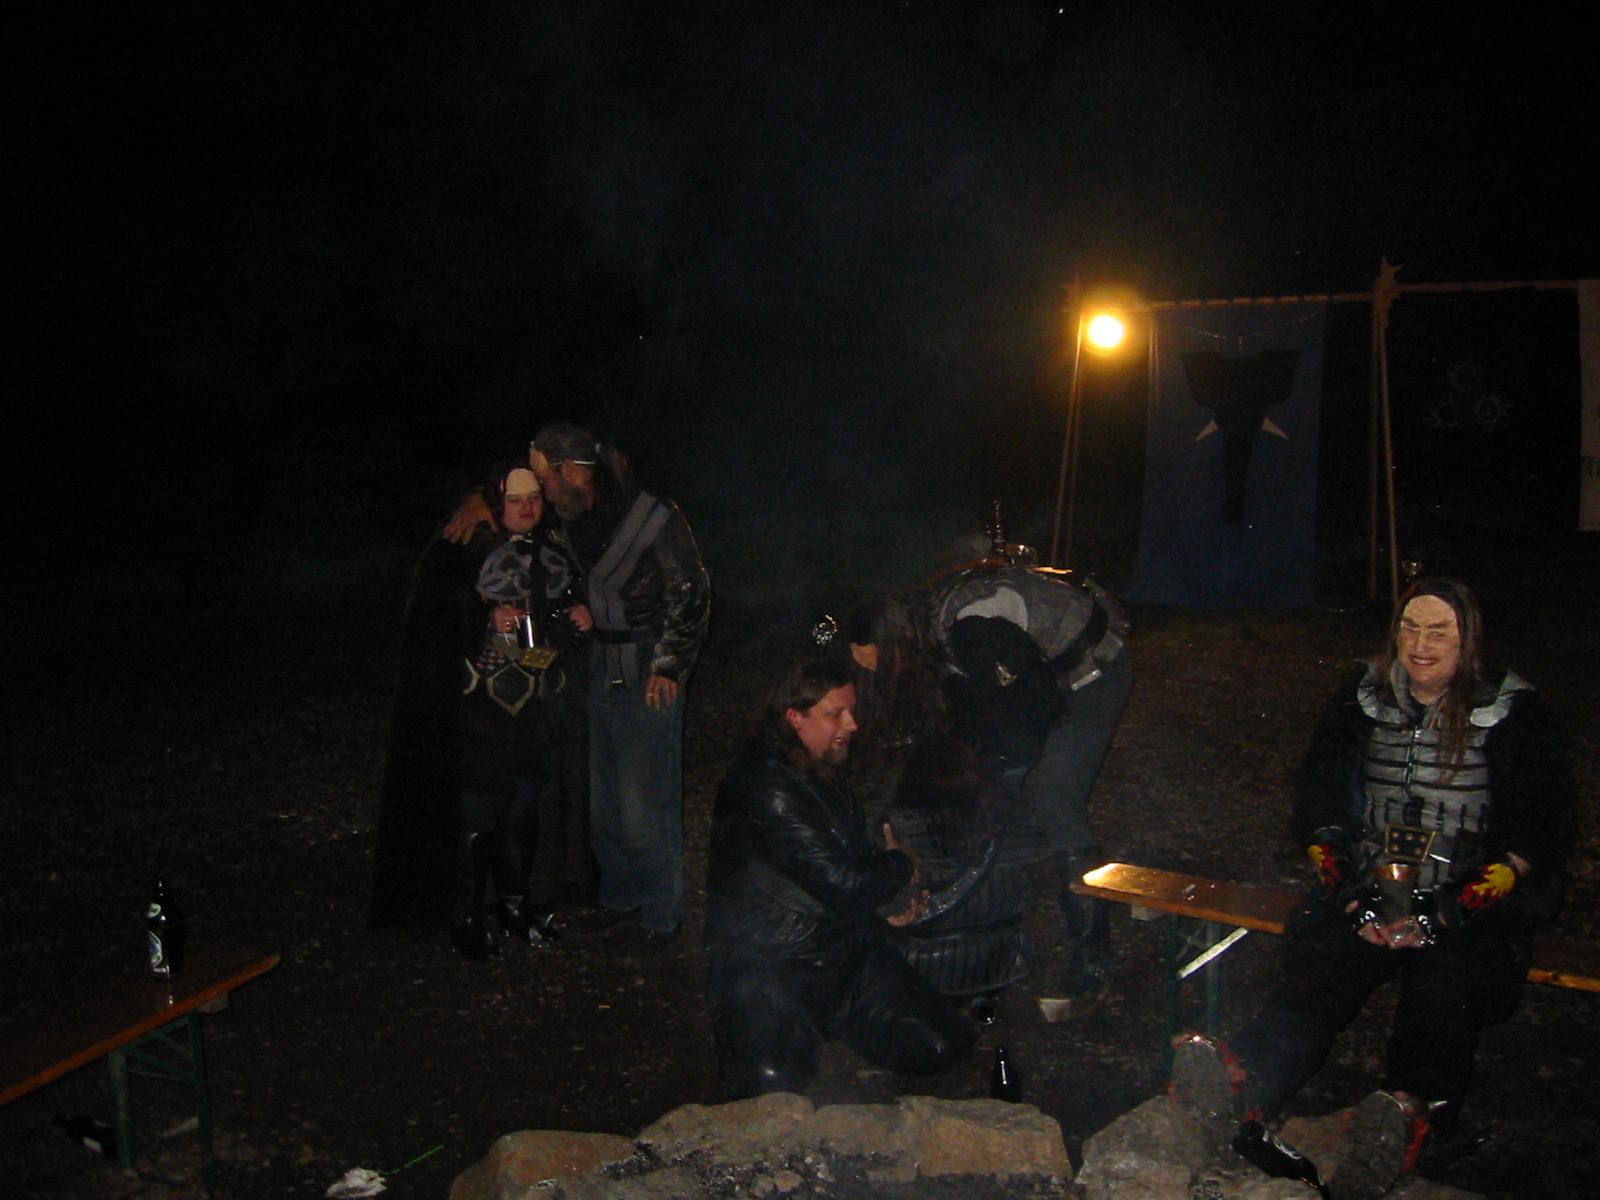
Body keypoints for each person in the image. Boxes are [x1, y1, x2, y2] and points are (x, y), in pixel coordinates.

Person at [1171, 578, 1574, 1197]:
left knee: (1445, 984)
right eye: (1411, 627)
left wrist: (1448, 909)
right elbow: (1319, 805)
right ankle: (1247, 1079)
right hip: (1369, 883)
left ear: (1467, 639)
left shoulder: (1515, 711)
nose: (1421, 643)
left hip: (1470, 898)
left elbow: (1535, 836)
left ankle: (1414, 1114)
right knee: (1321, 968)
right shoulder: (1362, 697)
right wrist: (1352, 897)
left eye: (1439, 631)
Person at [848, 553, 1133, 1014]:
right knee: (985, 781)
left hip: (1091, 674)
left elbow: (1028, 712)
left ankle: (1094, 966)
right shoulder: (930, 629)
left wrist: (989, 777)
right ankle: (1006, 919)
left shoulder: (977, 629)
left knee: (1055, 804)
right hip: (1034, 674)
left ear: (900, 641)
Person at [704, 660, 975, 1098]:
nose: (852, 724)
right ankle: (796, 1034)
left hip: (846, 947)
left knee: (940, 1045)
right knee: (768, 1090)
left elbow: (851, 855)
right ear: (795, 717)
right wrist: (902, 865)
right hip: (775, 962)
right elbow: (841, 880)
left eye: (851, 710)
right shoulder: (768, 785)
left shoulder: (819, 762)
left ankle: (836, 1027)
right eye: (835, 714)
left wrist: (889, 906)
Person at [523, 424, 710, 960]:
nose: (542, 487)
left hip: (648, 668)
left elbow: (690, 591)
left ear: (570, 471)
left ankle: (661, 914)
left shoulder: (652, 515)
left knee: (645, 799)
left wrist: (669, 665)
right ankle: (624, 899)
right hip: (603, 666)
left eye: (544, 476)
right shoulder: (578, 518)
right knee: (606, 801)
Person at [449, 462, 590, 958]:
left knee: (523, 811)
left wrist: (580, 613)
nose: (527, 507)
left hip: (536, 708)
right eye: (514, 500)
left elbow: (569, 612)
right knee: (478, 814)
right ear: (496, 504)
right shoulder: (467, 548)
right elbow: (439, 618)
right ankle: (465, 917)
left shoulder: (558, 546)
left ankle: (514, 907)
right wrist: (485, 616)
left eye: (534, 498)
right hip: (480, 709)